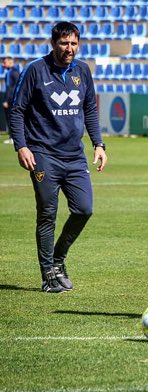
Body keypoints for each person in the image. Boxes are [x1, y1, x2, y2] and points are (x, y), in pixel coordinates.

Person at [10, 21, 108, 293]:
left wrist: (99, 144)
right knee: (47, 214)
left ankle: (58, 258)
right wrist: (22, 146)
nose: (69, 49)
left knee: (84, 209)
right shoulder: (35, 70)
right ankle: (48, 275)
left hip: (74, 156)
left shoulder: (83, 71)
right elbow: (17, 110)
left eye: (74, 43)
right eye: (64, 43)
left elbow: (89, 108)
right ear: (53, 43)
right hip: (43, 154)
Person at [2, 56, 19, 144]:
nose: (3, 64)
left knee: (11, 118)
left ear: (10, 62)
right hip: (11, 98)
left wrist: (7, 100)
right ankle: (11, 136)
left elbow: (13, 87)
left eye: (5, 62)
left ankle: (13, 137)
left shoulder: (14, 72)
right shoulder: (9, 72)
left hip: (12, 99)